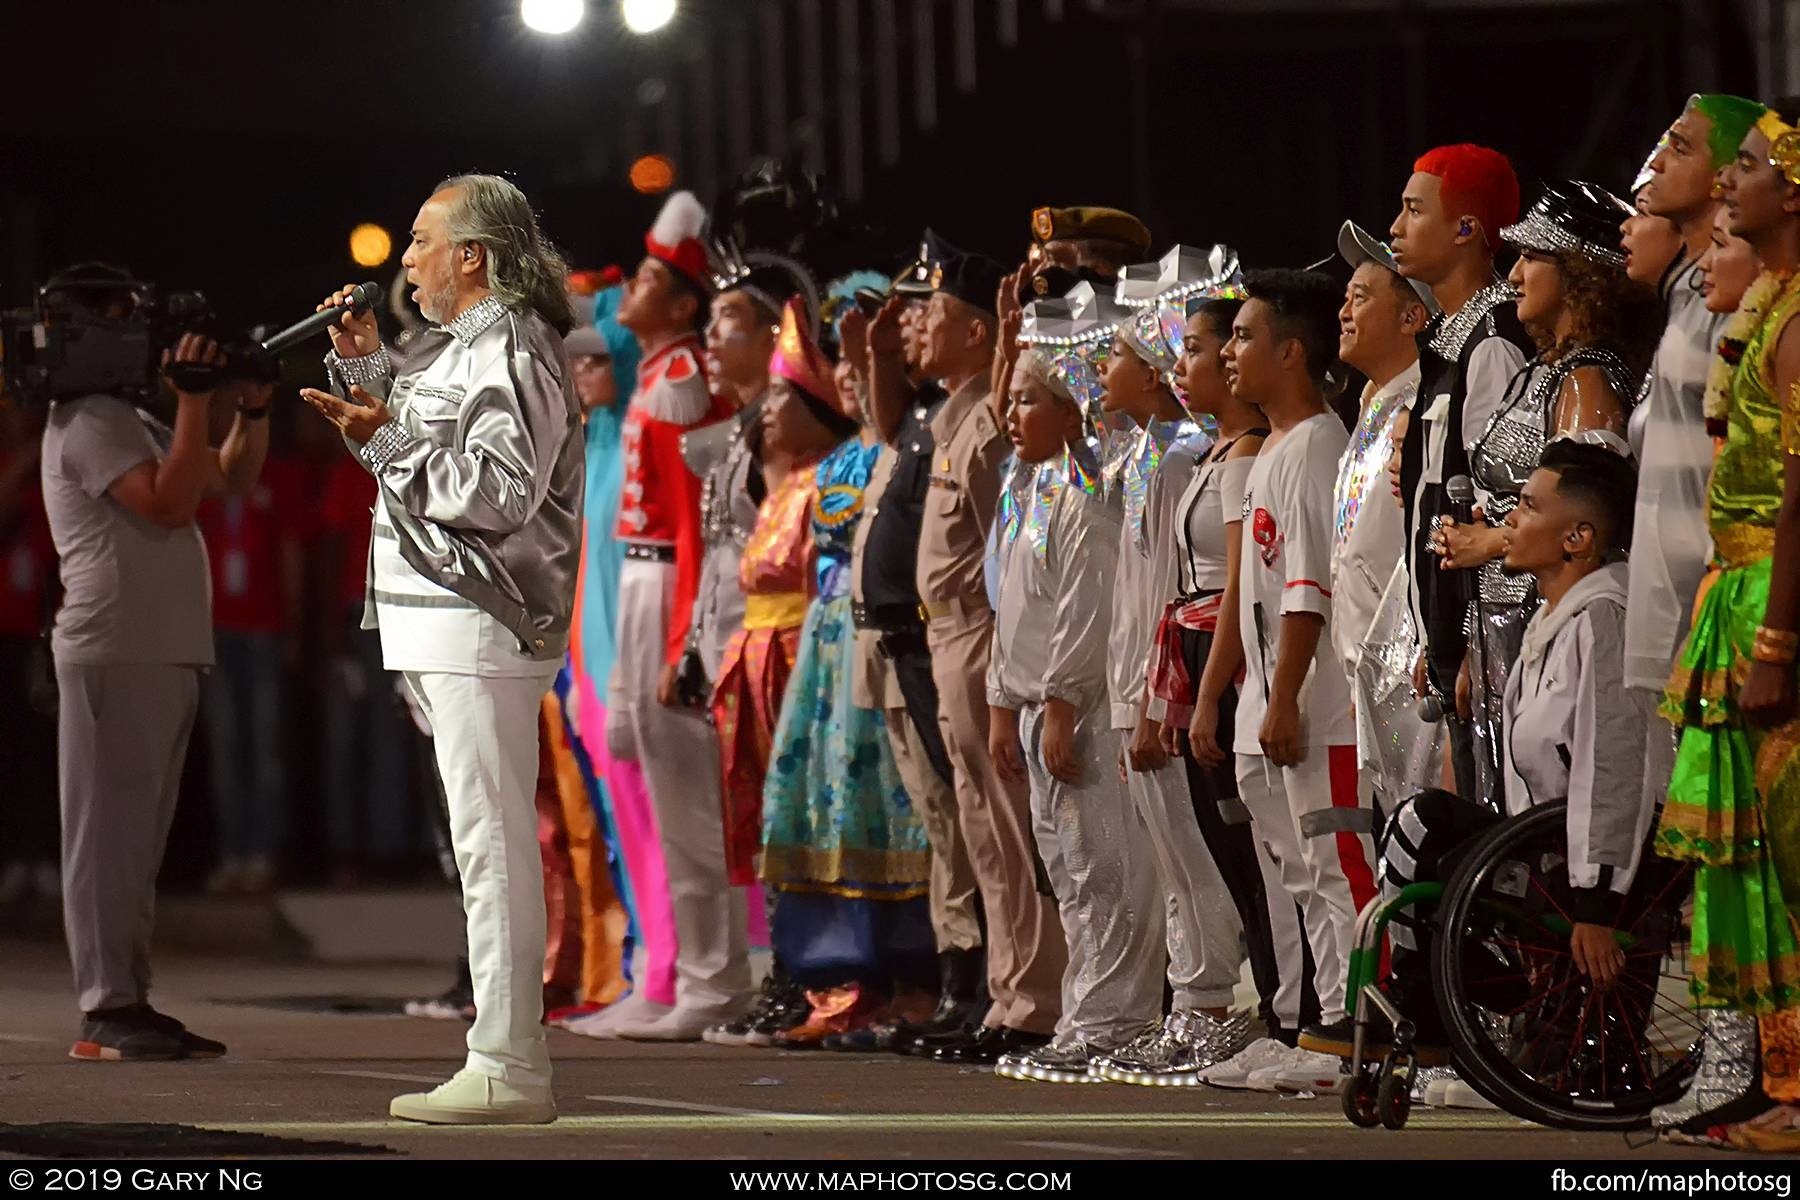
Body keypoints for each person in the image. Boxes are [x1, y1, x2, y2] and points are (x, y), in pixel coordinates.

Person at [299, 173, 583, 1123]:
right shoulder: (472, 345)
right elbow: (423, 438)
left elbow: (498, 494)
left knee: (491, 845)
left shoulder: (514, 343)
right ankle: (503, 1056)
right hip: (450, 624)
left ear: (474, 254)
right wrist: (373, 377)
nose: (405, 258)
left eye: (423, 239)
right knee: (482, 844)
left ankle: (509, 1065)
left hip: (480, 622)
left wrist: (381, 442)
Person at [1377, 438, 1653, 1111]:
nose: (1509, 522)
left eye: (1528, 508)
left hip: (1599, 869)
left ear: (1578, 537)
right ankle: (1447, 1017)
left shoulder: (1604, 620)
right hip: (1545, 845)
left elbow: (1612, 764)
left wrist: (1595, 902)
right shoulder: (1551, 617)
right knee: (1417, 828)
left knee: (1424, 836)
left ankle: (1457, 1018)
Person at [41, 262, 269, 1063]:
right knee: (108, 837)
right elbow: (169, 504)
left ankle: (128, 998)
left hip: (158, 648)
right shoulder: (89, 417)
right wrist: (196, 399)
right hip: (117, 646)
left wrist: (254, 407)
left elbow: (231, 478)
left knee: (137, 839)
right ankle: (106, 1005)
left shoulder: (128, 416)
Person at [881, 243, 1067, 1066]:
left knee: (1012, 826)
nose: (919, 327)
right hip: (944, 633)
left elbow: (1010, 546)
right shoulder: (955, 415)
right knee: (983, 833)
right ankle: (1005, 991)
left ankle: (1033, 996)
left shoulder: (990, 422)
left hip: (982, 632)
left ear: (976, 332)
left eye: (937, 316)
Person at [1656, 99, 1800, 1152]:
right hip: (1735, 594)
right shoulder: (1775, 301)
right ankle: (1775, 1085)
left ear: (1791, 191)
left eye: (1747, 165)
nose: (1731, 182)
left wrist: (1776, 644)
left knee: (1792, 853)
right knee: (1751, 861)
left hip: (1768, 605)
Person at [1431, 181, 1645, 811]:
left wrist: (1486, 542)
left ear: (1580, 275)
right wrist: (1472, 642)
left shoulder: (1586, 378)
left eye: (1532, 258)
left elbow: (1589, 519)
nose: (1514, 273)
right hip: (1506, 629)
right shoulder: (1544, 368)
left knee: (1541, 812)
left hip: (1552, 628)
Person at [1089, 254, 1248, 1086]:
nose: (1095, 371)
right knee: (1176, 858)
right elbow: (1137, 593)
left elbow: (1168, 592)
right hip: (1147, 682)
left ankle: (1211, 1004)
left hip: (1171, 679)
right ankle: (1192, 1006)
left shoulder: (1184, 455)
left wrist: (1153, 700)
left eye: (1115, 354)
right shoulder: (1154, 456)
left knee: (1198, 855)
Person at [760, 299, 934, 1047]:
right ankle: (835, 979)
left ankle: (910, 978)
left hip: (876, 633)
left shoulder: (906, 447)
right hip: (826, 641)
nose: (857, 378)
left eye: (870, 363)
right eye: (848, 363)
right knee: (814, 798)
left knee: (883, 799)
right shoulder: (832, 464)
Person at [1218, 269, 1376, 1085]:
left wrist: (1282, 698)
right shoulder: (1277, 450)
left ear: (1290, 352)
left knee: (1339, 866)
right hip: (1277, 703)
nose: (1229, 351)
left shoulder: (1318, 446)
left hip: (1320, 710)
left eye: (1245, 337)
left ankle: (1360, 1032)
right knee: (1302, 873)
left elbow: (1310, 589)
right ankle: (1320, 1025)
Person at [604, 191, 754, 1041]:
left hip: (670, 587)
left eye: (651, 277)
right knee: (662, 798)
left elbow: (698, 522)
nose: (632, 285)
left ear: (685, 305)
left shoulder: (684, 381)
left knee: (690, 799)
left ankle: (711, 981)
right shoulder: (660, 375)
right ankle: (677, 972)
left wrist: (681, 640)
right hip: (641, 581)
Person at [986, 347, 1159, 1082]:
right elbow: (1014, 612)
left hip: (1076, 709)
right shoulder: (1030, 486)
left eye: (1028, 401)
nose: (1010, 415)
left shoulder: (1085, 491)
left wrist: (1060, 704)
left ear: (1069, 411)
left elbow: (1082, 615)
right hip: (1035, 707)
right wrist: (1003, 702)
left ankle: (1114, 1019)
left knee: (1102, 871)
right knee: (1066, 874)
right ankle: (1085, 1013)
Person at [834, 245, 985, 1056]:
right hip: (904, 640)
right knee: (941, 816)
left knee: (967, 820)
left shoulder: (974, 412)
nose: (914, 323)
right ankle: (965, 980)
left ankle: (984, 984)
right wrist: (877, 353)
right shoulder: (929, 416)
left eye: (927, 310)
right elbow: (885, 419)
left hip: (943, 635)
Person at [1149, 293, 1303, 1080]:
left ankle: (1290, 1010)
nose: (1191, 363)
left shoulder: (1250, 454)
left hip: (1233, 658)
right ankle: (1279, 1007)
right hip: (1204, 649)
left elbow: (1240, 585)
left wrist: (1209, 694)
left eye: (1206, 346)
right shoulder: (1218, 453)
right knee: (1227, 851)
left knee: (1258, 852)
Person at [1389, 144, 1531, 802]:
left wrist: (1478, 643)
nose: (1396, 226)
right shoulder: (1452, 340)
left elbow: (1500, 506)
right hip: (1455, 647)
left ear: (1467, 229)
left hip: (1493, 646)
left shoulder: (1495, 340)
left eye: (1414, 210)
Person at [195, 413, 306, 895]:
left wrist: (296, 628)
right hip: (216, 631)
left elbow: (291, 554)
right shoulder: (204, 476)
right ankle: (232, 853)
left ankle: (263, 853)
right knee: (225, 748)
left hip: (263, 628)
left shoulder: (275, 476)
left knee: (263, 748)